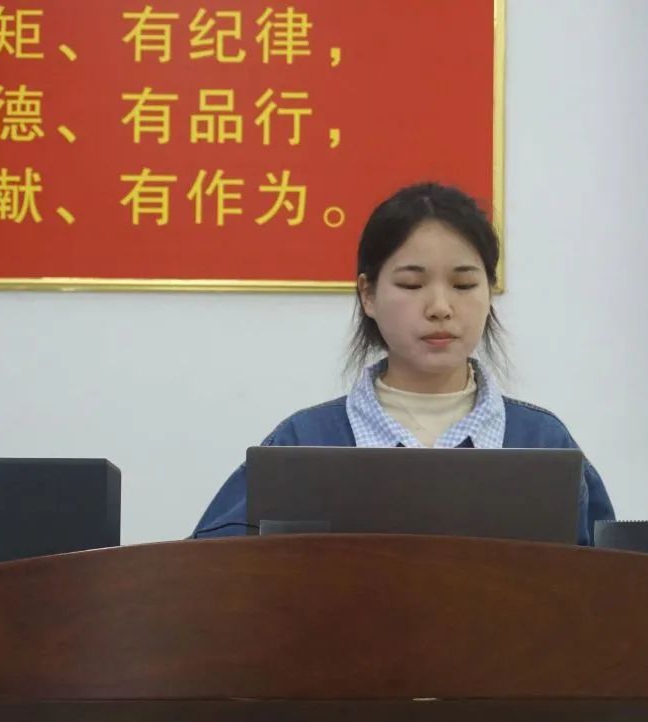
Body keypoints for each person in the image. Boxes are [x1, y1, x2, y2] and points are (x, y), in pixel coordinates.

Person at [192, 182, 614, 544]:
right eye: (412, 284)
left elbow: (611, 587)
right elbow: (207, 576)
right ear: (368, 295)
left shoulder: (543, 443)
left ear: (489, 290)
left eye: (464, 284)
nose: (440, 307)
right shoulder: (303, 443)